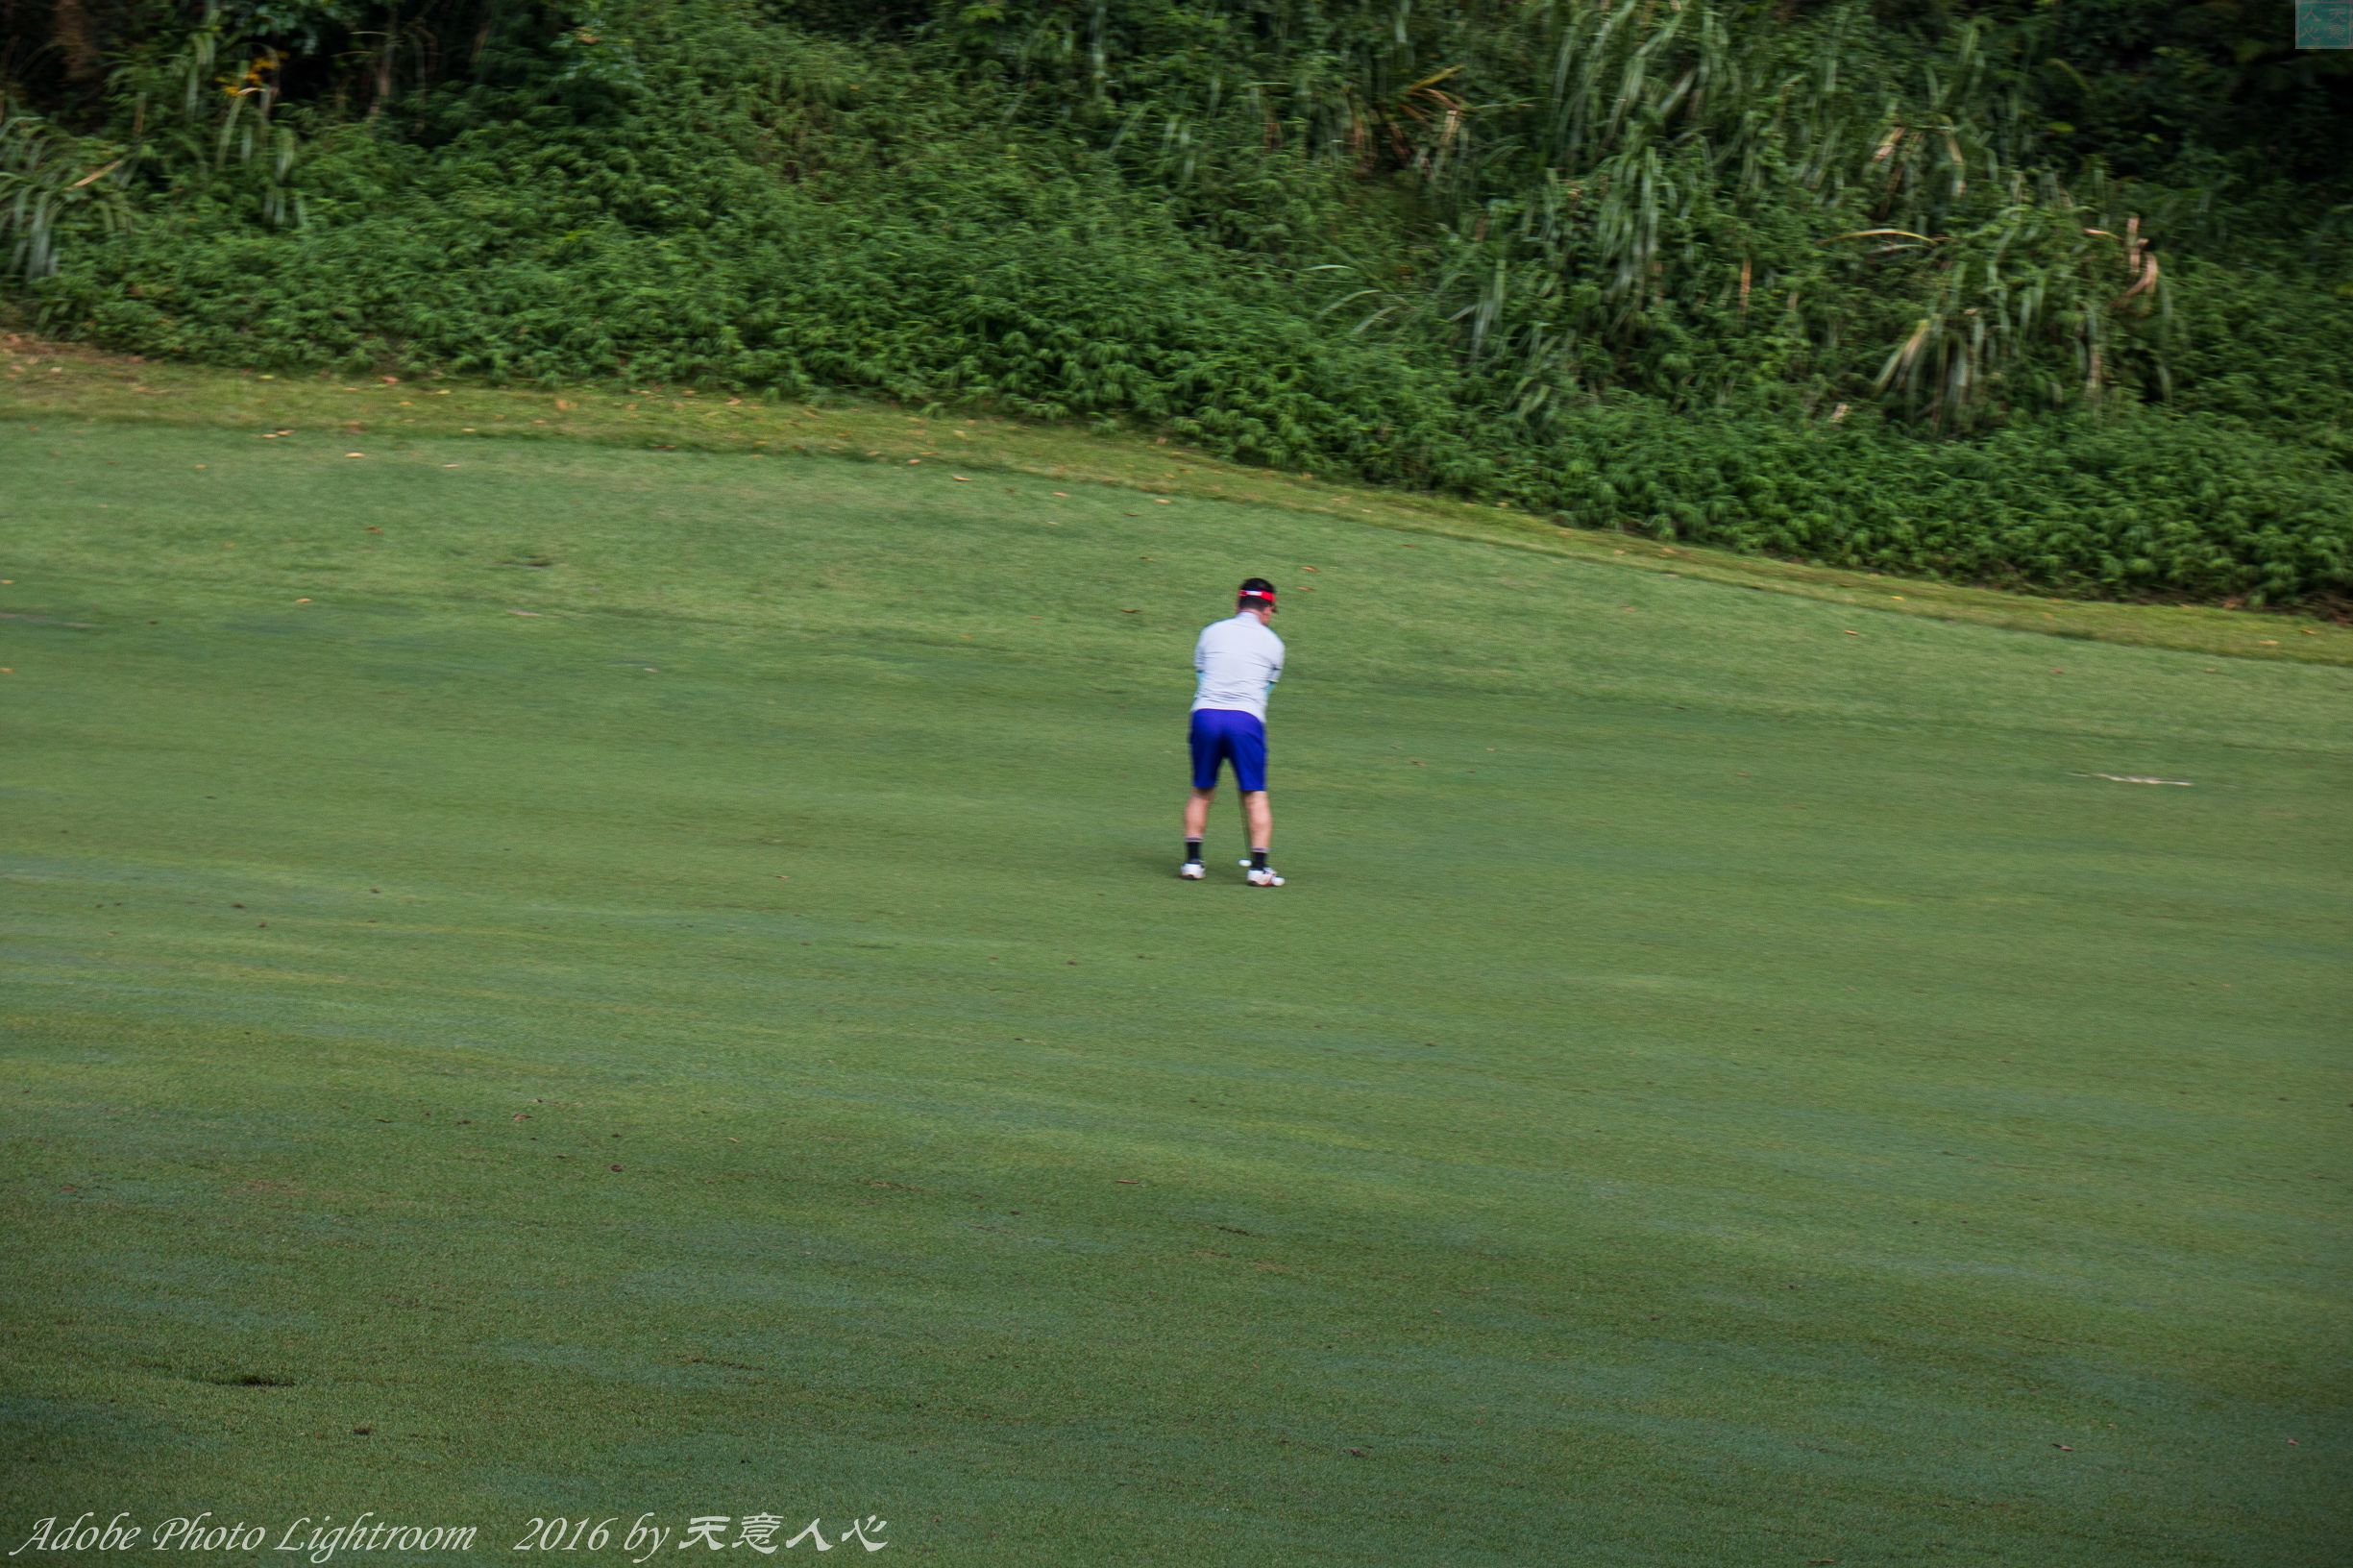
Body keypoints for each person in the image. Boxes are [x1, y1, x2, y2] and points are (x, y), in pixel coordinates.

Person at [1183, 577, 1286, 886]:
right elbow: (1264, 693)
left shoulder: (1211, 632)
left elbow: (1202, 677)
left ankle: (1192, 862)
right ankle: (1258, 868)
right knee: (1254, 795)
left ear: (1237, 605)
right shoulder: (1274, 644)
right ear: (1267, 609)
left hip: (1205, 715)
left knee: (1202, 791)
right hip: (1246, 720)